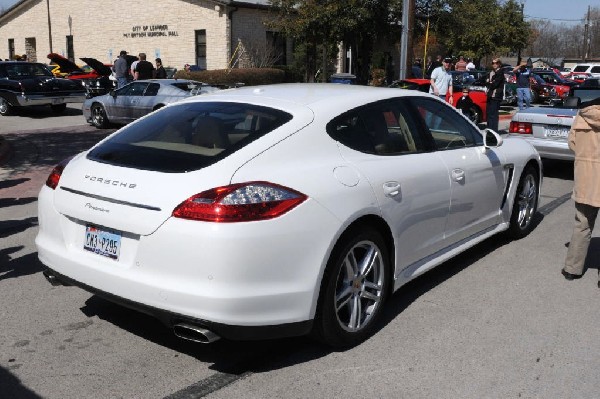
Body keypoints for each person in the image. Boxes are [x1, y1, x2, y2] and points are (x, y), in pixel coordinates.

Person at [562, 97, 600, 286]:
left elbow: (572, 144)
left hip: (588, 179)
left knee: (582, 224)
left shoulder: (583, 114)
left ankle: (572, 269)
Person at [485, 58, 505, 132]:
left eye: (496, 63)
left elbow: (495, 84)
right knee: (489, 113)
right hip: (490, 95)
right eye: (493, 63)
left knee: (493, 114)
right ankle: (489, 130)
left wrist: (490, 83)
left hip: (496, 96)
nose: (494, 64)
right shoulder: (491, 72)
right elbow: (486, 82)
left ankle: (494, 131)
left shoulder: (500, 72)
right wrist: (490, 82)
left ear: (499, 64)